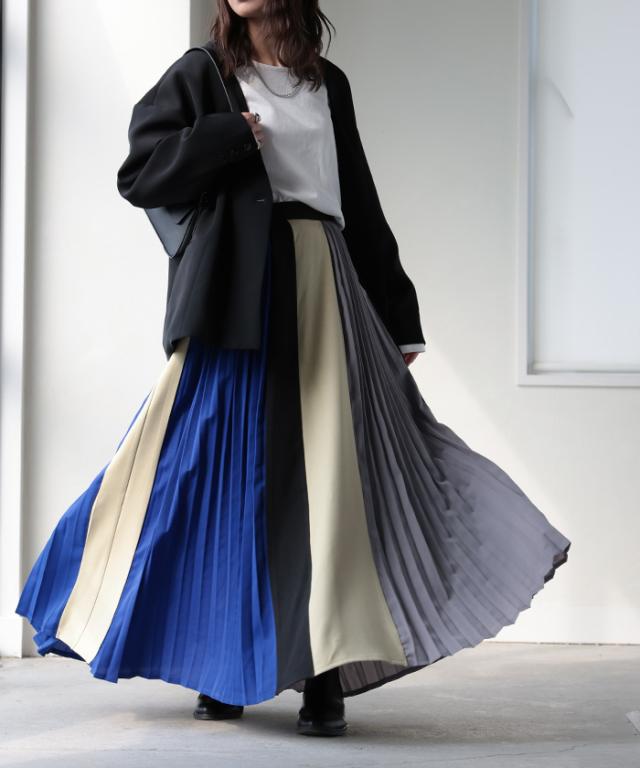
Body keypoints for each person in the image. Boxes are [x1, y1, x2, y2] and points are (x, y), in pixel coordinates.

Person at [15, 0, 571, 739]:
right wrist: (225, 136)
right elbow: (140, 172)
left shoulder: (327, 84)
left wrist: (396, 312)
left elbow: (359, 201)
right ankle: (217, 664)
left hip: (324, 284)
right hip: (236, 294)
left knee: (330, 482)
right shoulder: (203, 73)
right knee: (211, 472)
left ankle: (324, 674)